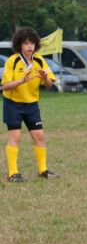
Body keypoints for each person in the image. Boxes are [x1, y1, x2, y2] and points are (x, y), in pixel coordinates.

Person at [2, 27, 57, 183]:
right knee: (15, 136)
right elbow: (5, 86)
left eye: (32, 43)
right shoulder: (12, 61)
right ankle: (13, 173)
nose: (29, 46)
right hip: (13, 104)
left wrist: (45, 78)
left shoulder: (39, 59)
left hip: (32, 104)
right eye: (26, 43)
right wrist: (22, 80)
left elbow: (49, 84)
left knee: (39, 136)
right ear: (19, 45)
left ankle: (43, 171)